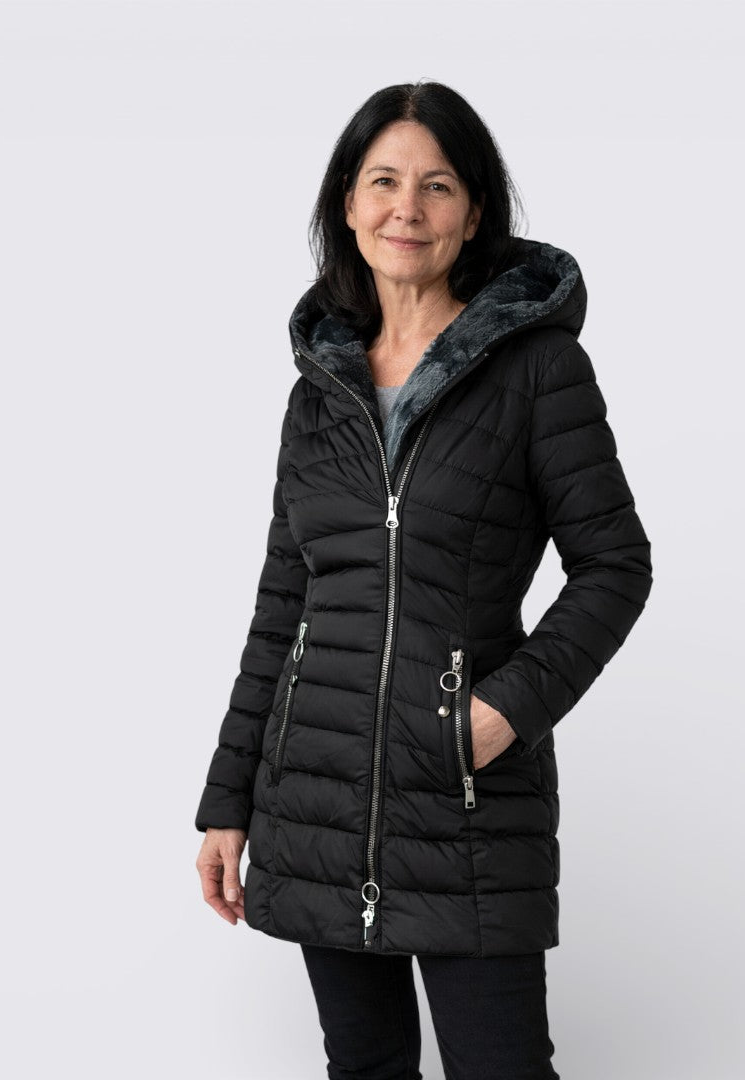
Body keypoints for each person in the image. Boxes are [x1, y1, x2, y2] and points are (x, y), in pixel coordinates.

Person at [194, 80, 654, 1080]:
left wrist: (505, 711)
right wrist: (228, 799)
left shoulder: (538, 371)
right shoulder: (320, 392)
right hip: (316, 798)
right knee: (365, 1068)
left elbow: (616, 565)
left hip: (468, 799)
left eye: (437, 185)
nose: (408, 208)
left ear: (474, 212)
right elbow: (282, 606)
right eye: (384, 182)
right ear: (348, 203)